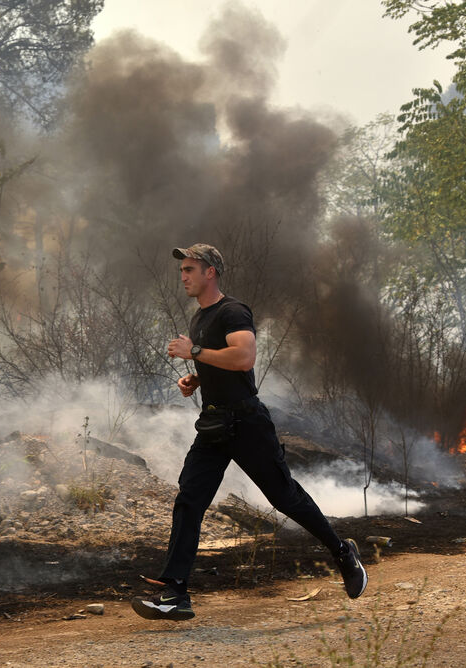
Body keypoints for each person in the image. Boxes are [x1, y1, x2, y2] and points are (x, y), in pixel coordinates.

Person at [130, 243, 368, 622]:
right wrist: (198, 377)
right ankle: (175, 592)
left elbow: (244, 357)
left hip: (246, 423)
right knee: (190, 499)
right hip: (213, 423)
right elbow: (222, 363)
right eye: (181, 271)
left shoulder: (232, 311)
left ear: (210, 272)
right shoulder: (199, 318)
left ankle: (343, 553)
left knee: (284, 497)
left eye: (189, 269)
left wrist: (196, 355)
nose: (183, 277)